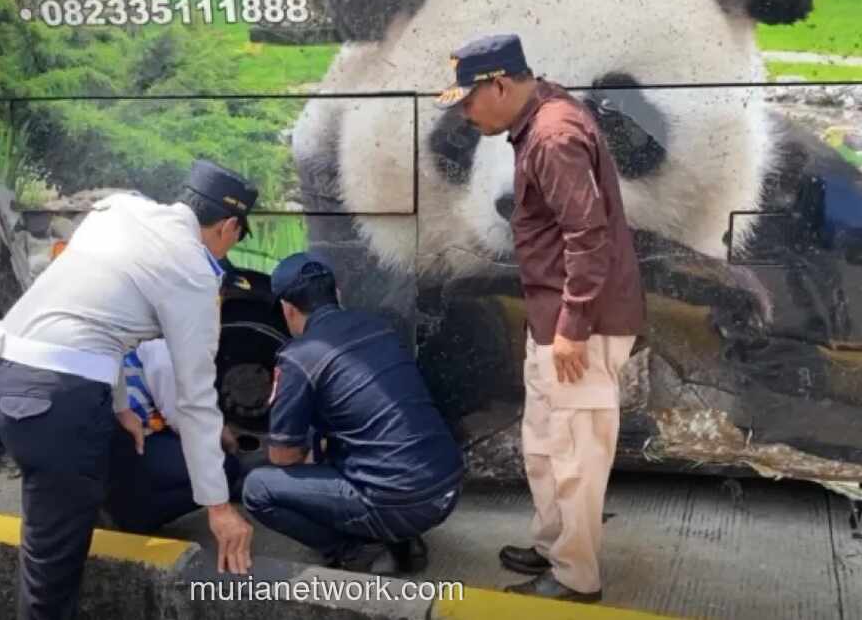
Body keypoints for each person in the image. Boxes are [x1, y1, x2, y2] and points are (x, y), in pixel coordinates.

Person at [0, 159, 257, 619]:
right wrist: (219, 507)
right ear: (228, 226)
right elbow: (195, 399)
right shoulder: (193, 271)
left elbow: (99, 324)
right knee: (52, 571)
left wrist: (121, 406)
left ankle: (96, 510)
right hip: (54, 399)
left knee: (61, 516)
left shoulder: (120, 210)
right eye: (235, 239)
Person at [438, 34, 646, 603]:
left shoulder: (553, 137)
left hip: (579, 325)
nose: (464, 112)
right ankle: (554, 546)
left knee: (575, 453)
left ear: (500, 84)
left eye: (468, 99)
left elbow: (588, 235)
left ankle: (576, 577)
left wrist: (574, 327)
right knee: (547, 442)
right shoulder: (540, 112)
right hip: (553, 318)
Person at [242, 252, 464, 574]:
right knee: (357, 442)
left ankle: (356, 551)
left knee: (257, 489)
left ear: (287, 309)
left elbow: (283, 456)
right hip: (447, 485)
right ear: (338, 294)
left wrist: (308, 453)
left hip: (398, 501)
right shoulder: (380, 327)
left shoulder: (299, 357)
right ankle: (402, 539)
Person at [104, 338, 244, 533]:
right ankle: (134, 515)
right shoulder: (163, 348)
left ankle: (120, 503)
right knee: (225, 468)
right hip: (129, 441)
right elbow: (183, 417)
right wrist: (218, 434)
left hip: (99, 440)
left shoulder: (129, 336)